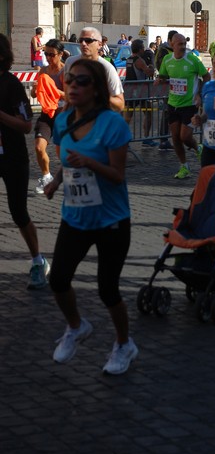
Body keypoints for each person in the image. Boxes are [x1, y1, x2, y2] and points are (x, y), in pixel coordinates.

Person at [44, 58, 138, 375]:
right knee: (57, 279)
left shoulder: (113, 124)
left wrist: (90, 163)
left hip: (111, 219)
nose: (72, 85)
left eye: (81, 81)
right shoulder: (62, 121)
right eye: (69, 80)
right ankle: (76, 326)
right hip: (75, 215)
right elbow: (67, 162)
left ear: (96, 89)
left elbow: (117, 175)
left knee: (107, 289)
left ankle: (124, 344)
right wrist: (57, 181)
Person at [0, 33, 50, 289]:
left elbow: (26, 125)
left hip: (13, 157)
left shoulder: (11, 85)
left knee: (18, 211)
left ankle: (38, 260)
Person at [156, 33, 209, 179]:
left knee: (185, 136)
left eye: (184, 44)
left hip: (189, 105)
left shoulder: (192, 60)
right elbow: (164, 76)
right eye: (179, 44)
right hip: (173, 104)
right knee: (175, 138)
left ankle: (198, 147)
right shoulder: (167, 60)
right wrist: (159, 79)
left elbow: (206, 76)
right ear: (172, 45)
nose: (183, 47)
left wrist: (200, 93)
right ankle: (184, 166)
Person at [30, 38, 65, 194]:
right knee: (38, 147)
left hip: (62, 113)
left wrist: (54, 91)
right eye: (46, 54)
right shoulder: (43, 71)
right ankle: (46, 176)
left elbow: (70, 96)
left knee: (63, 151)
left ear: (60, 54)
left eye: (52, 54)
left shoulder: (65, 71)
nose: (49, 58)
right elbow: (33, 93)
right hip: (46, 113)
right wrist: (35, 88)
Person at [63, 27, 124, 113]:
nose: (84, 44)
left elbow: (120, 104)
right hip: (75, 119)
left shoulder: (107, 68)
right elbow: (67, 95)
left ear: (99, 44)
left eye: (88, 40)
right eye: (81, 40)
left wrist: (97, 93)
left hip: (99, 120)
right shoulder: (70, 62)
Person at [124, 39, 156, 147]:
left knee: (128, 116)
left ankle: (123, 139)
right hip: (139, 92)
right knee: (148, 113)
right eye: (142, 47)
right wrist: (152, 64)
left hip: (130, 91)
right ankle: (146, 139)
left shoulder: (129, 59)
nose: (144, 49)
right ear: (139, 49)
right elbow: (149, 72)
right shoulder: (139, 60)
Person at [155, 30, 178, 150]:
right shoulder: (163, 51)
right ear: (169, 40)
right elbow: (160, 67)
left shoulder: (176, 51)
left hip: (177, 88)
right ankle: (164, 139)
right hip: (168, 86)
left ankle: (172, 138)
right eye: (173, 41)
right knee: (167, 112)